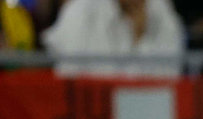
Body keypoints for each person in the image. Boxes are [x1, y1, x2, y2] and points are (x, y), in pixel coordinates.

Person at [42, 0, 185, 77]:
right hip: (92, 117)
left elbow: (169, 79)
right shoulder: (79, 12)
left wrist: (140, 39)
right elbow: (68, 79)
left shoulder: (162, 12)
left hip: (147, 114)